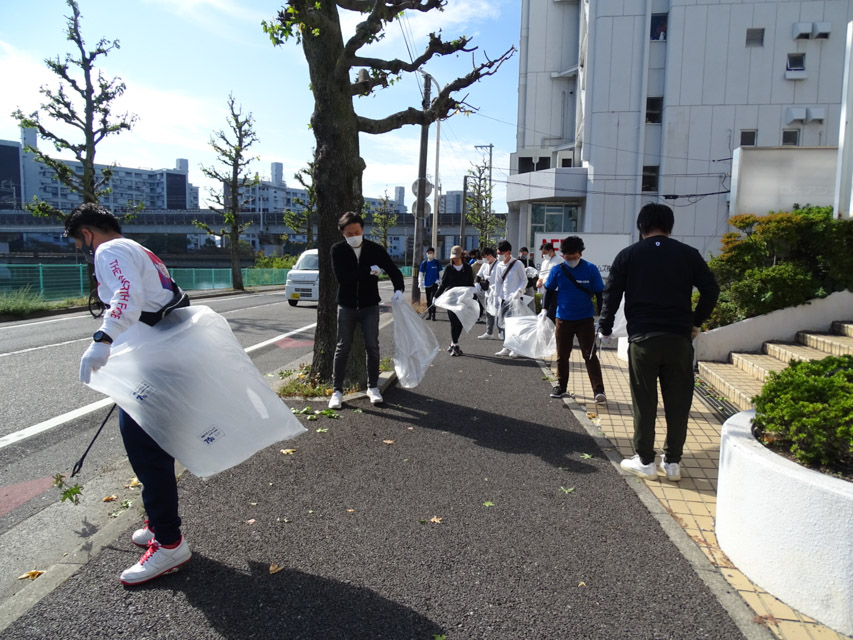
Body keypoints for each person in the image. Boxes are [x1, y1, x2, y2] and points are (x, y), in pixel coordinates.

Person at [66, 203, 192, 586]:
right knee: (153, 448)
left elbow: (126, 293)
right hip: (164, 353)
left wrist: (103, 339)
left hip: (152, 364)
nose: (80, 249)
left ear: (88, 232)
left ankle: (170, 543)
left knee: (145, 451)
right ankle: (159, 526)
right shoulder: (138, 249)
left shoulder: (110, 250)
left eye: (78, 242)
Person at [598, 203, 719, 482]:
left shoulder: (629, 255)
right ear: (670, 227)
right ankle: (673, 462)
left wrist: (604, 325)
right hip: (679, 338)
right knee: (679, 402)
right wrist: (696, 321)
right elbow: (711, 288)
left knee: (645, 401)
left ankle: (645, 460)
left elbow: (611, 293)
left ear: (641, 227)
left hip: (643, 339)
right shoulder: (688, 254)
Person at [329, 211, 405, 409]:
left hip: (370, 306)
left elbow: (394, 270)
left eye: (357, 231)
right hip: (346, 306)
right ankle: (337, 391)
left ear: (362, 230)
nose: (354, 235)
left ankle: (373, 387)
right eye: (349, 233)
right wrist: (371, 272)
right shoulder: (337, 250)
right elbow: (343, 278)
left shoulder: (375, 249)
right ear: (342, 233)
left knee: (372, 346)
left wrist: (399, 289)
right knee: (342, 347)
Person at [541, 236, 606, 403]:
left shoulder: (591, 269)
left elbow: (600, 294)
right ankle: (560, 386)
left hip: (585, 320)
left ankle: (598, 390)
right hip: (562, 319)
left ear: (580, 253)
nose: (570, 259)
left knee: (590, 355)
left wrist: (602, 316)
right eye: (567, 256)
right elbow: (548, 290)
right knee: (562, 355)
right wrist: (543, 310)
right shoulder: (558, 270)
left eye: (574, 256)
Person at [434, 245, 474, 356]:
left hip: (463, 299)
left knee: (461, 322)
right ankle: (455, 345)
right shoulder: (449, 268)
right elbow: (443, 284)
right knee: (453, 322)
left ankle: (453, 343)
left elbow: (470, 284)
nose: (455, 259)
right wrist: (436, 296)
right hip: (451, 299)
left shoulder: (467, 268)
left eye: (457, 257)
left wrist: (473, 297)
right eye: (453, 257)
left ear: (462, 256)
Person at [493, 240, 528, 358]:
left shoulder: (518, 264)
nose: (499, 255)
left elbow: (524, 280)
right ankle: (507, 347)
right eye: (497, 253)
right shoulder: (499, 265)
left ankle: (516, 348)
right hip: (504, 298)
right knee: (505, 324)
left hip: (516, 299)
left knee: (515, 323)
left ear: (508, 252)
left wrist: (519, 291)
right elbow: (498, 282)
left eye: (500, 253)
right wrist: (495, 297)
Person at [476, 247, 500, 340]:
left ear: (490, 255)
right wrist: (477, 283)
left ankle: (501, 332)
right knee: (488, 312)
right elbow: (478, 275)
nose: (484, 259)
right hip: (487, 292)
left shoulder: (499, 265)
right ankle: (489, 332)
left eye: (485, 256)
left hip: (496, 293)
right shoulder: (485, 265)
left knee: (498, 313)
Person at [536, 242, 563, 321]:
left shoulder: (559, 260)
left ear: (551, 251)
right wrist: (539, 281)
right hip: (545, 290)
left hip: (555, 290)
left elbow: (557, 275)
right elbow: (541, 274)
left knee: (552, 311)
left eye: (545, 253)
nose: (544, 255)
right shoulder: (544, 262)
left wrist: (546, 281)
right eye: (542, 253)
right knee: (545, 311)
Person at [418, 246, 441, 321]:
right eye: (428, 253)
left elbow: (441, 272)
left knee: (433, 299)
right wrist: (420, 282)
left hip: (435, 283)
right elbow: (421, 273)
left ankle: (433, 315)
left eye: (431, 253)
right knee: (428, 300)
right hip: (427, 284)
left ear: (433, 253)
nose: (430, 254)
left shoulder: (437, 262)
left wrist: (440, 281)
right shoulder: (424, 263)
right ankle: (429, 314)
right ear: (426, 254)